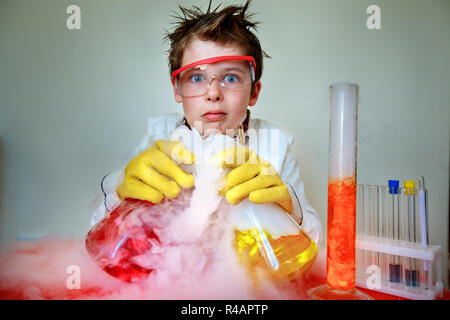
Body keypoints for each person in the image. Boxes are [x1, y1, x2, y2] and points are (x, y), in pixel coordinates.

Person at [91, 0, 322, 245]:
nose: (213, 93)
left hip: (250, 280)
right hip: (172, 276)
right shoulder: (158, 138)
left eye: (231, 77)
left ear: (254, 92)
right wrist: (118, 189)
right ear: (177, 90)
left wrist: (290, 205)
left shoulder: (275, 147)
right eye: (197, 77)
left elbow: (315, 247)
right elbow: (101, 236)